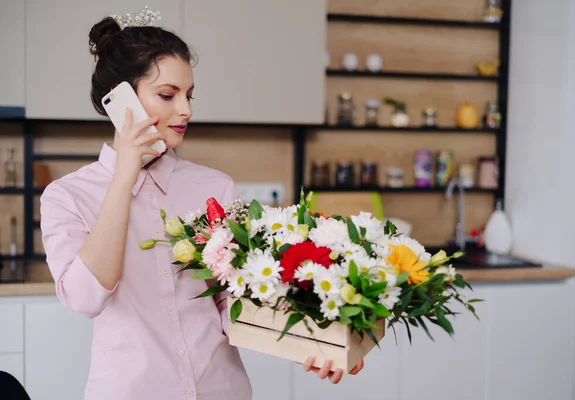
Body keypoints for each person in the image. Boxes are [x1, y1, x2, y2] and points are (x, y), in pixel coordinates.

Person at [39, 9, 363, 400]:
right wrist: (125, 175)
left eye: (189, 95)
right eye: (167, 95)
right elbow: (86, 297)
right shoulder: (67, 196)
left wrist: (312, 343)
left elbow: (235, 301)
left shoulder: (215, 187)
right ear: (121, 100)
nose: (186, 110)